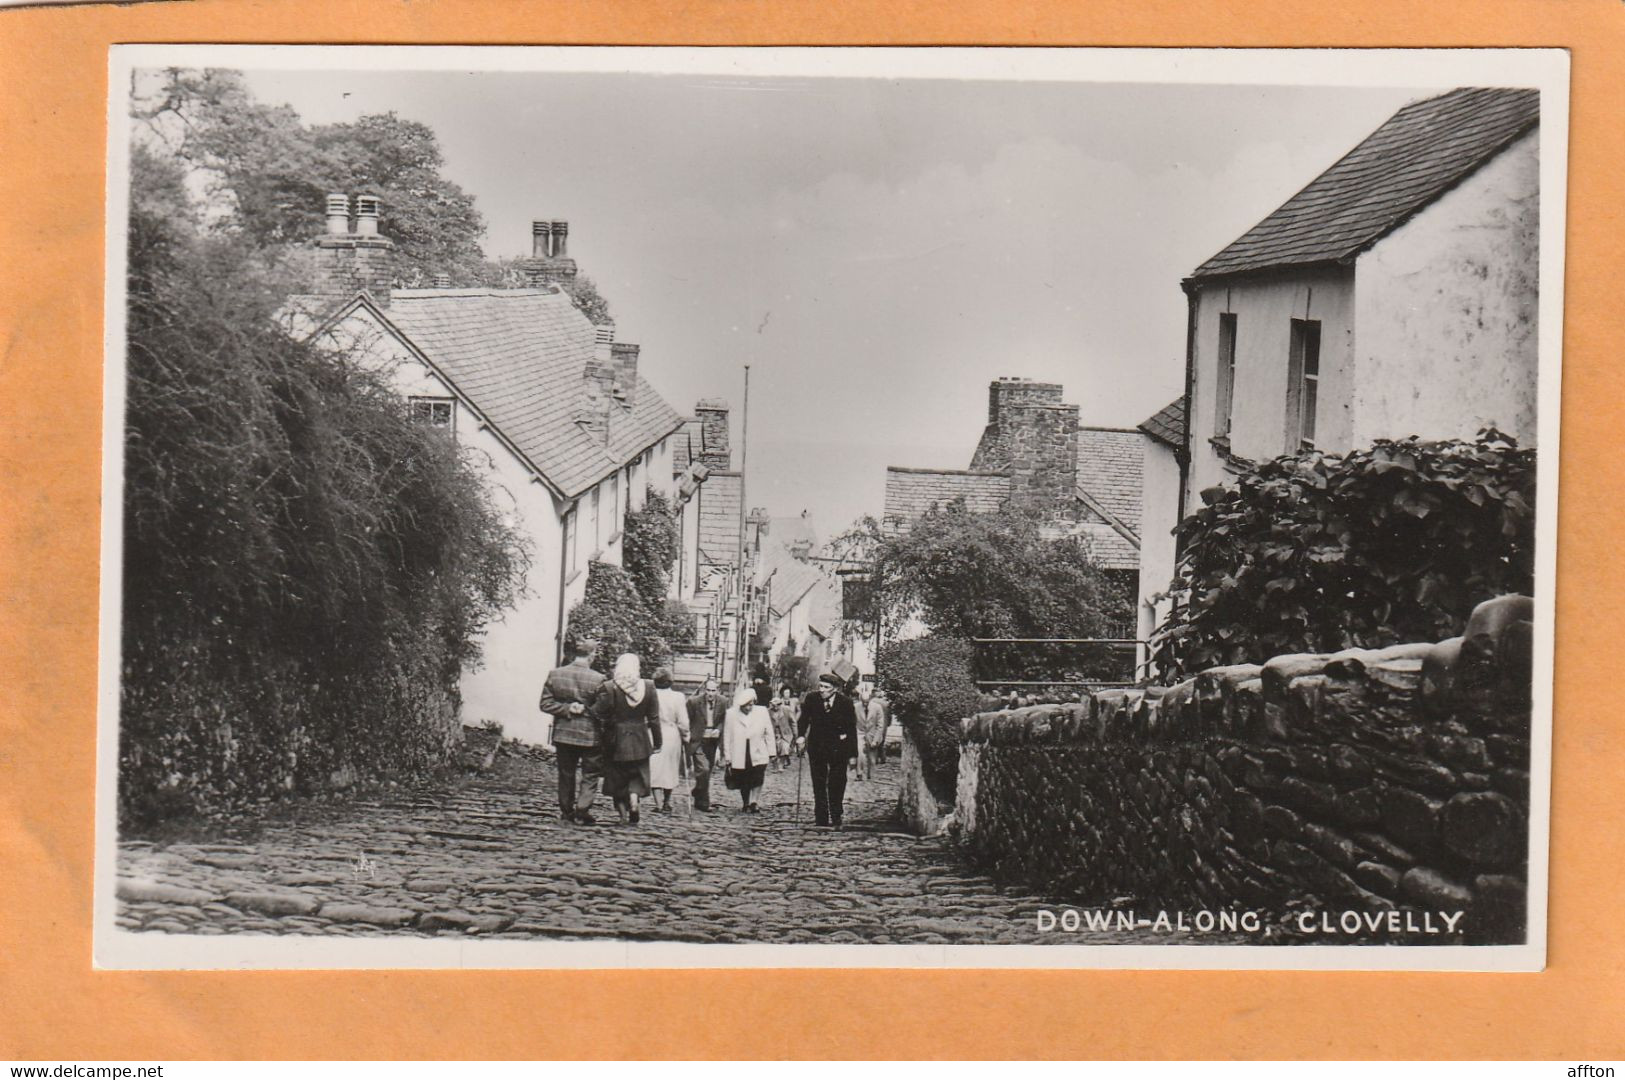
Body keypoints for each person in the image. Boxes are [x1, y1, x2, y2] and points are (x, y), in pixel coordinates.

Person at [538, 631, 608, 825]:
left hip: (563, 733)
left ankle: (566, 810)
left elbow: (545, 704)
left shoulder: (556, 674)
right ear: (592, 655)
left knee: (566, 773)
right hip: (589, 734)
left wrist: (567, 708)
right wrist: (586, 710)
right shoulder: (599, 679)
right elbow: (602, 709)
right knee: (590, 773)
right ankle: (582, 809)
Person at [590, 653, 663, 826]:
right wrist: (658, 742)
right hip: (640, 738)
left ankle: (622, 815)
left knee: (616, 777)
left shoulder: (609, 687)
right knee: (638, 774)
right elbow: (654, 718)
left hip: (616, 739)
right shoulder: (649, 686)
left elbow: (597, 712)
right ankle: (634, 798)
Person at [796, 671, 859, 828]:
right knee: (818, 781)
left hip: (838, 748)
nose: (822, 690)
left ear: (835, 689)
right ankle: (821, 817)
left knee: (837, 782)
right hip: (817, 747)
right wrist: (801, 736)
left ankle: (836, 815)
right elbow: (803, 719)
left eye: (826, 687)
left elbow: (851, 729)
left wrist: (853, 755)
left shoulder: (846, 703)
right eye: (821, 686)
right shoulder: (812, 699)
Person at [720, 685, 773, 812]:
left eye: (751, 705)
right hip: (740, 750)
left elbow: (769, 731)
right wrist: (727, 756)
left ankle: (754, 801)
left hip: (758, 749)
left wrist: (772, 751)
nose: (748, 708)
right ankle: (746, 803)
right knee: (743, 777)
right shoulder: (731, 713)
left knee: (758, 775)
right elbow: (727, 735)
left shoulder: (762, 711)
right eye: (745, 706)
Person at [686, 676, 728, 812]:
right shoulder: (693, 702)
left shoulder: (723, 702)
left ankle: (698, 795)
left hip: (712, 741)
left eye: (713, 690)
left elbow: (724, 720)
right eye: (708, 690)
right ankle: (704, 803)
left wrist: (719, 730)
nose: (710, 694)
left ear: (718, 690)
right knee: (703, 769)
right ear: (704, 690)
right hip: (697, 740)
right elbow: (687, 719)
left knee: (707, 772)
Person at [649, 668, 689, 812]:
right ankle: (666, 801)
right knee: (670, 768)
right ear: (670, 681)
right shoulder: (678, 697)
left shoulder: (651, 694)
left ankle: (658, 804)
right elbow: (683, 721)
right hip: (672, 735)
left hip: (653, 734)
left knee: (655, 768)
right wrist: (685, 736)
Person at [857, 682, 887, 780]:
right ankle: (859, 773)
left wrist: (876, 739)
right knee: (859, 753)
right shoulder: (856, 707)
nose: (865, 704)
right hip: (859, 732)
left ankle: (871, 774)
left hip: (872, 733)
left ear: (870, 699)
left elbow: (880, 725)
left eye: (867, 702)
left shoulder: (877, 708)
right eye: (863, 702)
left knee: (872, 757)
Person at [770, 685, 799, 771]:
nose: (775, 707)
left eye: (777, 705)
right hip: (773, 733)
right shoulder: (768, 712)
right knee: (774, 750)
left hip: (785, 732)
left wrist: (795, 734)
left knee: (784, 748)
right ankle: (775, 766)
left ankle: (781, 765)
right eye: (773, 705)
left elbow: (793, 722)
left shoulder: (786, 710)